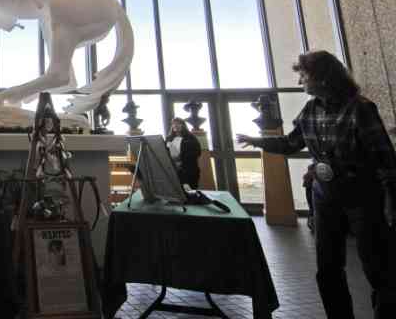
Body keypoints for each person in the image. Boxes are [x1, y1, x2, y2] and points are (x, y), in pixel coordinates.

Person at [237, 50, 396, 319]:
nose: (300, 82)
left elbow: (386, 160)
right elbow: (290, 143)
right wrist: (257, 141)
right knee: (328, 269)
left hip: (362, 197)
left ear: (322, 77)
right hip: (325, 197)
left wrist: (391, 203)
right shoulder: (310, 109)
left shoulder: (360, 108)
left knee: (378, 268)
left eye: (303, 75)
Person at [165, 117, 202, 189]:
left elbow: (197, 152)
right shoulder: (169, 138)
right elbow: (165, 151)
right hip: (174, 171)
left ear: (183, 125)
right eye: (174, 124)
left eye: (178, 123)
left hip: (188, 171)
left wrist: (181, 158)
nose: (175, 125)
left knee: (190, 192)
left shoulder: (191, 138)